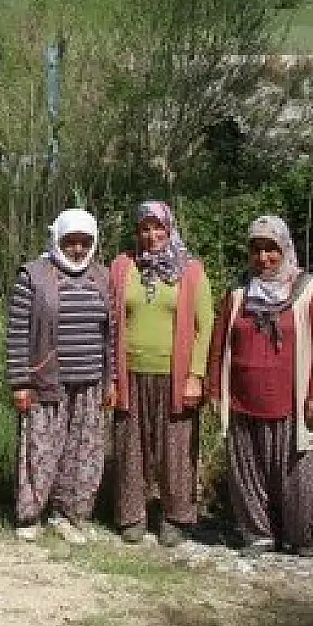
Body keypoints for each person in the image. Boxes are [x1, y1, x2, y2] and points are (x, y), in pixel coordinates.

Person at [209, 216, 313, 556]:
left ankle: (298, 535)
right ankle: (258, 533)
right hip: (243, 399)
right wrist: (211, 389)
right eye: (256, 250)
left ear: (285, 250)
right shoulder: (238, 293)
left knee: (297, 471)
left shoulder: (309, 290)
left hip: (293, 402)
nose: (263, 258)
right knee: (248, 470)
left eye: (271, 250)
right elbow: (218, 342)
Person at [109, 201, 214, 547]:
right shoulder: (123, 267)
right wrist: (112, 375)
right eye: (145, 228)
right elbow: (110, 323)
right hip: (131, 373)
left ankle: (176, 515)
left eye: (159, 228)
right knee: (130, 446)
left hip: (175, 374)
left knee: (176, 448)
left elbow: (206, 326)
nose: (152, 235)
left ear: (170, 229)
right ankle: (132, 514)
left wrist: (196, 376)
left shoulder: (191, 270)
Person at [6, 209, 112, 545]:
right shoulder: (34, 276)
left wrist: (111, 381)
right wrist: (20, 381)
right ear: (57, 239)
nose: (78, 250)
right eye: (70, 242)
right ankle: (30, 514)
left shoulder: (103, 277)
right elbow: (18, 331)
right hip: (45, 381)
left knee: (82, 451)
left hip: (90, 381)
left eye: (85, 242)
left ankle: (68, 513)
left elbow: (111, 333)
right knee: (40, 449)